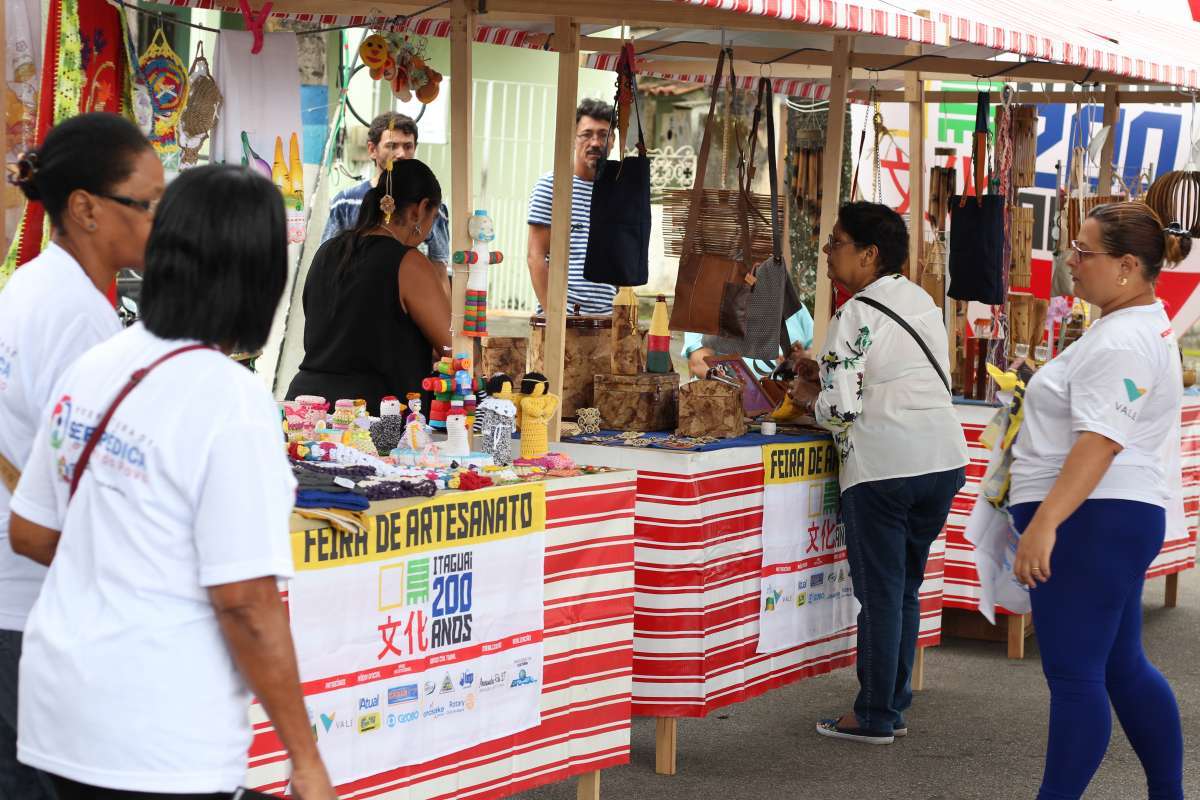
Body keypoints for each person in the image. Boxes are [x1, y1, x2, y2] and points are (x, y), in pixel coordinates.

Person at [7, 164, 336, 800]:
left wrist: (118, 569)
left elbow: (30, 529)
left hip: (58, 710)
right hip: (155, 733)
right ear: (259, 275)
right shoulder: (231, 400)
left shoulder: (96, 364)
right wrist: (306, 757)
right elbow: (245, 600)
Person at [0, 112, 163, 800]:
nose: (159, 219)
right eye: (146, 203)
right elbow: (94, 489)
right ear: (86, 209)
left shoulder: (34, 283)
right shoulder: (79, 317)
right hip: (33, 605)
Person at [1010, 202, 1187, 800]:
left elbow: (1101, 440)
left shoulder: (1125, 339)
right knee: (1117, 667)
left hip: (1093, 518)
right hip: (1106, 517)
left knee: (1077, 676)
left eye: (1084, 251)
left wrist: (1046, 524)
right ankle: (1167, 792)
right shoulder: (1130, 326)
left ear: (1127, 266)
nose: (1071, 260)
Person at [795, 201, 968, 744]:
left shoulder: (853, 315)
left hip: (886, 469)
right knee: (905, 588)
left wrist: (809, 399)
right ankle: (891, 702)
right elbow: (896, 371)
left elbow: (842, 408)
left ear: (868, 254)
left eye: (836, 243)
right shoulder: (920, 300)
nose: (827, 252)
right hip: (941, 460)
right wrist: (825, 375)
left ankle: (872, 715)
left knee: (882, 593)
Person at [288, 158, 450, 415]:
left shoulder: (327, 252)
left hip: (306, 409)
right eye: (433, 216)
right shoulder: (409, 263)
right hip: (371, 418)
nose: (428, 231)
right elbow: (452, 347)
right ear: (418, 210)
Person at [321, 111, 449, 278]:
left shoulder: (431, 207)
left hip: (412, 300)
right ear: (372, 149)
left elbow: (439, 271)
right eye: (392, 146)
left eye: (408, 146)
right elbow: (327, 262)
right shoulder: (346, 203)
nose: (401, 153)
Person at [526, 98, 616, 316]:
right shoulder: (553, 185)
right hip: (562, 315)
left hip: (608, 318)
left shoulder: (617, 190)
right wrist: (555, 314)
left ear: (612, 141)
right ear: (574, 139)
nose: (595, 142)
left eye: (603, 135)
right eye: (586, 134)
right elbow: (535, 255)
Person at [681, 306, 815, 379]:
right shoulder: (709, 304)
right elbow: (699, 362)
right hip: (728, 403)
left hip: (788, 403)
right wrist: (731, 385)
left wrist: (804, 357)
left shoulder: (793, 306)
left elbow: (816, 351)